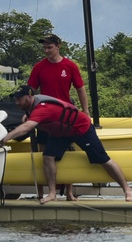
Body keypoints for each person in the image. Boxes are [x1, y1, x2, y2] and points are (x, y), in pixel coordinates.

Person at [0, 85, 132, 204]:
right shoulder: (32, 105)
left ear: (29, 96)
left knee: (102, 159)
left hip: (81, 128)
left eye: (19, 99)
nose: (17, 103)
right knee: (48, 157)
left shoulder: (42, 108)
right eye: (15, 100)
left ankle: (128, 190)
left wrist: (6, 138)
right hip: (61, 133)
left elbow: (27, 127)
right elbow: (29, 119)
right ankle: (52, 194)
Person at [27, 33, 88, 201]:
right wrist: (28, 113)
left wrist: (86, 112)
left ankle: (69, 192)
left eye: (50, 47)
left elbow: (80, 89)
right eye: (44, 48)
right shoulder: (39, 67)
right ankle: (43, 193)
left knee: (69, 152)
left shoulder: (70, 66)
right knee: (43, 153)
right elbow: (30, 91)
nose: (46, 51)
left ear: (58, 46)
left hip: (65, 117)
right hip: (45, 116)